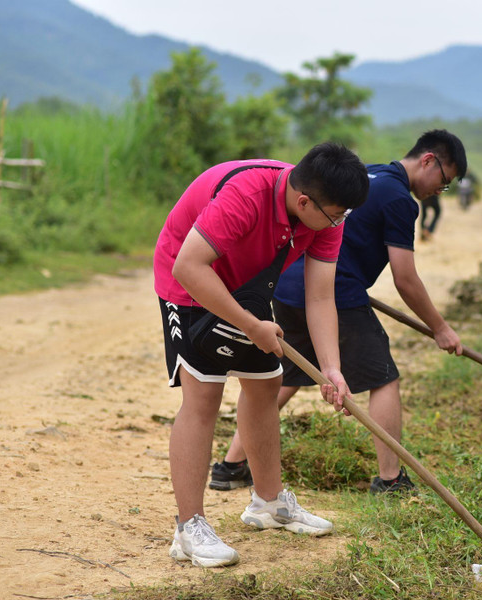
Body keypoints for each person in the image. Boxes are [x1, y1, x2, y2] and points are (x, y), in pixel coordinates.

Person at [212, 129, 467, 495]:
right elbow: (405, 278)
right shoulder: (400, 200)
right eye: (444, 182)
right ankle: (391, 479)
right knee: (383, 377)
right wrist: (440, 328)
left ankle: (231, 465)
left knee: (291, 374)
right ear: (428, 160)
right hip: (332, 292)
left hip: (287, 288)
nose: (439, 190)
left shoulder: (368, 174)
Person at [154, 143, 369, 567]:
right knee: (203, 396)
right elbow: (189, 267)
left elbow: (321, 294)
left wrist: (331, 368)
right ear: (304, 201)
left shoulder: (327, 212)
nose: (339, 222)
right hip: (191, 279)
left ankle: (268, 504)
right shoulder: (246, 196)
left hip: (246, 285)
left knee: (266, 382)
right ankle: (189, 528)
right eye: (336, 215)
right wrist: (252, 325)